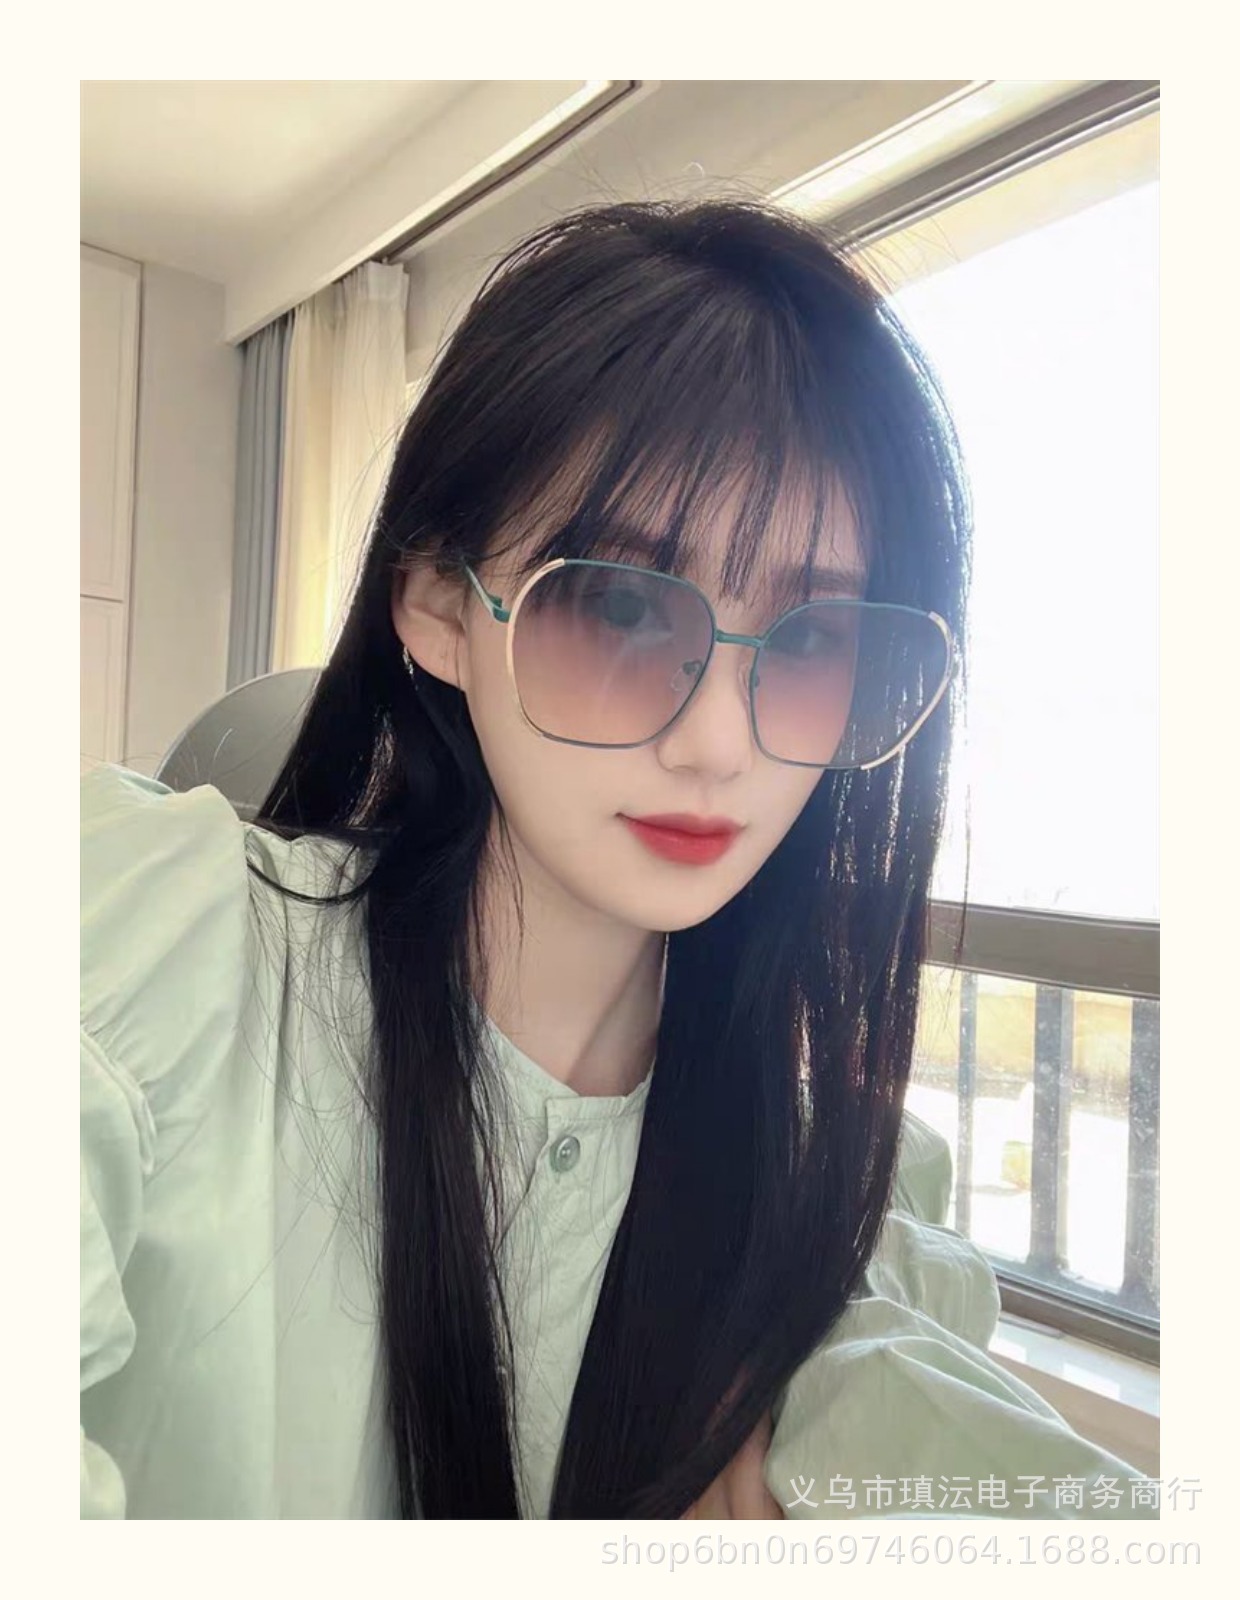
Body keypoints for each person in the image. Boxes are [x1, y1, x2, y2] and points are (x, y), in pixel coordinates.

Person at [81, 199, 1154, 1521]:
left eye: (815, 639)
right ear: (437, 603)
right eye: (621, 607)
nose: (718, 743)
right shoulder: (153, 950)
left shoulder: (829, 1184)